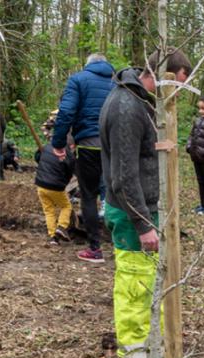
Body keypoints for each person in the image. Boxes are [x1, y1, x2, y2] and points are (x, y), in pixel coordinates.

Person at [100, 48, 191, 358]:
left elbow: (134, 154)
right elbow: (123, 176)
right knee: (135, 285)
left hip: (139, 208)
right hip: (129, 213)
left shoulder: (136, 101)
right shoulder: (127, 108)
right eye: (178, 83)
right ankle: (134, 357)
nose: (179, 92)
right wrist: (142, 224)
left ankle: (150, 347)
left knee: (147, 282)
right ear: (165, 75)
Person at [52, 53, 116, 263]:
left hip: (88, 144)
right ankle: (121, 246)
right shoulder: (117, 82)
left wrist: (59, 143)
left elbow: (67, 112)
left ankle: (95, 249)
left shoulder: (78, 80)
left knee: (88, 196)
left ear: (87, 65)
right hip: (113, 146)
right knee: (116, 194)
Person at [34, 135, 75, 245]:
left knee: (49, 210)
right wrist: (64, 184)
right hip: (55, 186)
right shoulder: (68, 154)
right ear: (71, 145)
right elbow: (69, 173)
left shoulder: (47, 146)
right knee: (66, 206)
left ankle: (53, 237)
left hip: (40, 184)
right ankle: (61, 227)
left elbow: (37, 157)